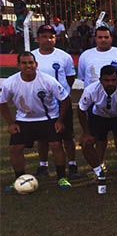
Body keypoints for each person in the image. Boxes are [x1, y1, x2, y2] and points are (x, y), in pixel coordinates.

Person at [0, 52, 72, 190]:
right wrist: (11, 123)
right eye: (24, 63)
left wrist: (60, 121)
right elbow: (2, 102)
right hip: (23, 119)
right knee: (15, 148)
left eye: (31, 63)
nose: (28, 66)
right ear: (18, 65)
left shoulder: (47, 80)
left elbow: (65, 99)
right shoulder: (10, 82)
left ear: (36, 65)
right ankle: (19, 179)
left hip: (48, 118)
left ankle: (62, 178)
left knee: (56, 145)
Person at [78, 65, 117, 187]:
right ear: (100, 79)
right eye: (106, 80)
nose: (110, 83)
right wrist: (86, 132)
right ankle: (98, 173)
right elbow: (81, 110)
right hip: (99, 117)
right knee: (86, 143)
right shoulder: (91, 90)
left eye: (113, 80)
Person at [32, 24, 80, 179]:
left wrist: (61, 93)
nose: (48, 40)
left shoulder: (64, 56)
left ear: (56, 38)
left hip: (60, 103)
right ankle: (43, 166)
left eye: (51, 36)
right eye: (44, 36)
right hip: (40, 103)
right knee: (42, 137)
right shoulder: (32, 57)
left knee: (67, 136)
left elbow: (70, 78)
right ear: (38, 38)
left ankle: (72, 165)